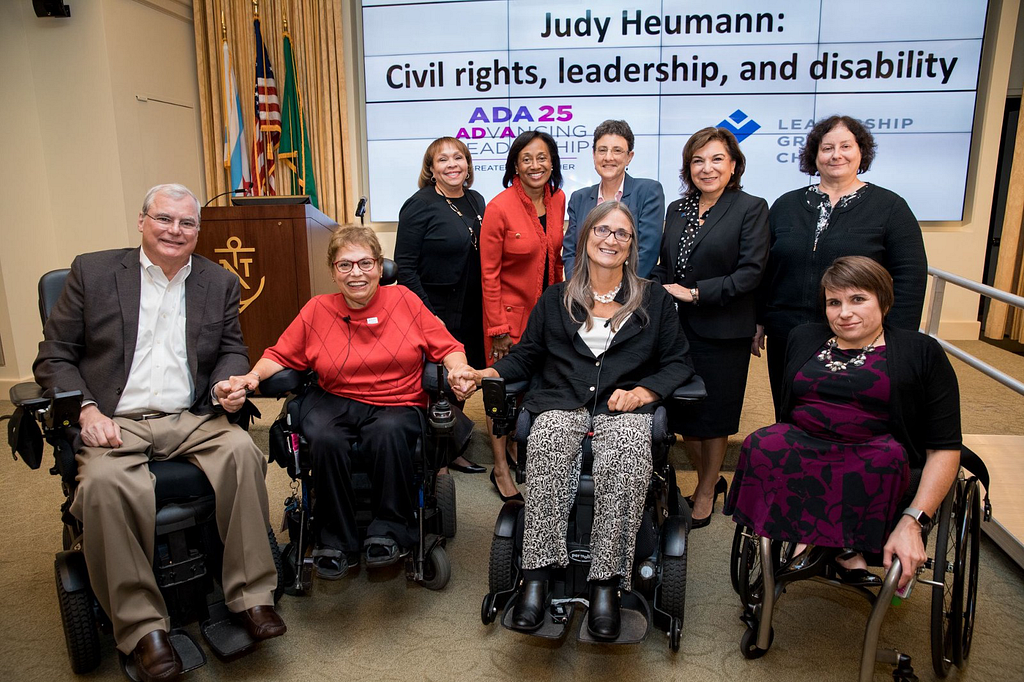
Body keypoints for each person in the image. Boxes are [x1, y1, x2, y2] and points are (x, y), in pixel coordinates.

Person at [33, 184, 285, 682]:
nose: (175, 230)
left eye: (187, 223)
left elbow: (231, 351)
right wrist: (85, 410)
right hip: (115, 418)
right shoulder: (95, 271)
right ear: (143, 221)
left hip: (189, 414)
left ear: (197, 231)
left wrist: (227, 383)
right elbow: (54, 355)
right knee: (105, 486)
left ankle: (251, 596)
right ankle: (143, 628)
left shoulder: (217, 281)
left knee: (242, 453)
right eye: (164, 219)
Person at [451, 202, 693, 640]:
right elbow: (527, 356)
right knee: (547, 435)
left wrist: (644, 391)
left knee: (625, 448)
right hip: (561, 400)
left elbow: (678, 362)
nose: (610, 239)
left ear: (631, 245)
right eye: (602, 230)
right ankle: (538, 579)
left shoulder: (652, 298)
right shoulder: (554, 298)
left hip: (624, 407)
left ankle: (605, 585)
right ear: (584, 239)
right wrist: (487, 373)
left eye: (621, 233)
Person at [229, 226, 470, 581]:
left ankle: (389, 530)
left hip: (396, 399)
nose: (355, 273)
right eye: (345, 265)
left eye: (364, 263)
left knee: (387, 433)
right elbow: (281, 354)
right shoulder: (317, 309)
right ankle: (336, 539)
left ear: (379, 266)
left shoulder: (404, 300)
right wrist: (252, 377)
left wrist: (459, 370)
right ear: (332, 271)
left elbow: (447, 347)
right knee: (324, 438)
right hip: (334, 398)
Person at [727, 256, 960, 589]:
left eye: (858, 299)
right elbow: (788, 410)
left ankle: (836, 545)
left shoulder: (921, 352)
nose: (844, 312)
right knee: (762, 443)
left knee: (885, 459)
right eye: (834, 302)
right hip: (805, 442)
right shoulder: (804, 337)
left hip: (872, 452)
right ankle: (818, 538)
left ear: (884, 299)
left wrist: (913, 521)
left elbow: (945, 446)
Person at [755, 115, 927, 415]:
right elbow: (765, 270)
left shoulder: (890, 207)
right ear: (814, 155)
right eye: (827, 147)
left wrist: (896, 337)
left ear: (861, 152)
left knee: (850, 413)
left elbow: (910, 277)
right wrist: (757, 319)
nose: (836, 155)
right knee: (790, 410)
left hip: (860, 335)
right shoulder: (785, 205)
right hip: (789, 335)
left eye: (846, 146)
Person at [651, 127, 769, 529]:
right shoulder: (678, 209)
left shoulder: (751, 208)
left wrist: (696, 294)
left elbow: (751, 272)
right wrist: (657, 288)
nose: (707, 168)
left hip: (723, 329)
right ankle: (711, 477)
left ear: (733, 164)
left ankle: (705, 489)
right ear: (688, 167)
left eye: (717, 159)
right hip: (677, 329)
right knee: (684, 412)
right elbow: (665, 264)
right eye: (698, 160)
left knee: (714, 416)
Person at [480, 130, 566, 501]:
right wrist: (498, 327)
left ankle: (518, 447)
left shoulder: (560, 200)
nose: (536, 165)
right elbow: (489, 273)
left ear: (553, 162)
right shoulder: (499, 206)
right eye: (527, 158)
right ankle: (500, 466)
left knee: (537, 385)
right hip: (508, 317)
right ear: (515, 163)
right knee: (501, 392)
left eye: (542, 157)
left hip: (550, 317)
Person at [395, 136, 486, 474]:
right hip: (433, 305)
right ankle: (436, 456)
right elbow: (403, 265)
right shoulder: (419, 204)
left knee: (462, 374)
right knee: (435, 381)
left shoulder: (477, 200)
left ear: (468, 164)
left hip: (472, 304)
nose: (452, 164)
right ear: (431, 168)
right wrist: (427, 313)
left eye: (458, 157)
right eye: (443, 159)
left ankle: (452, 443)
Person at [563, 119, 665, 279]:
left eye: (617, 151)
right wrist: (579, 291)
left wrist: (618, 294)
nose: (608, 157)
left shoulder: (648, 191)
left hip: (631, 295)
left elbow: (648, 251)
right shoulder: (579, 198)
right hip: (584, 295)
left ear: (629, 157)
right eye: (602, 150)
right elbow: (571, 253)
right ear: (594, 154)